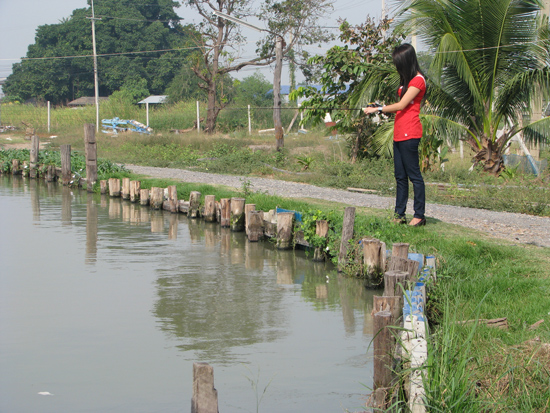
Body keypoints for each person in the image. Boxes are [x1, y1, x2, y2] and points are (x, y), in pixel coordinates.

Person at [363, 43, 426, 226]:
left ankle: (419, 215)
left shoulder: (418, 80)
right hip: (399, 132)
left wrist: (379, 109)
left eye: (398, 63)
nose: (397, 66)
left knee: (414, 176)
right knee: (400, 176)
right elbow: (397, 107)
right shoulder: (406, 80)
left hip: (411, 132)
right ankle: (399, 215)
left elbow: (401, 106)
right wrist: (379, 108)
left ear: (406, 61)